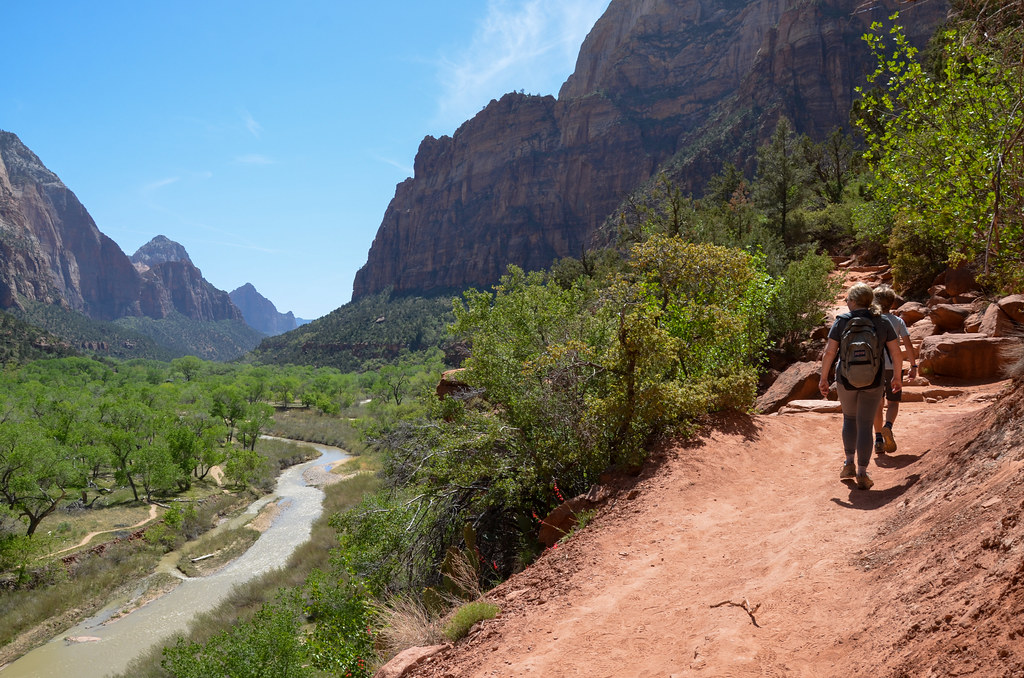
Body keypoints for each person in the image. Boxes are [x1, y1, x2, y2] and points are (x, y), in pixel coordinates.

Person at [818, 282, 902, 490]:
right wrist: (897, 377)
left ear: (854, 301)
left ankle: (848, 464)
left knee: (849, 418)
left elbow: (829, 352)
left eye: (847, 299)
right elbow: (896, 352)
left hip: (845, 378)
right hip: (874, 379)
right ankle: (863, 473)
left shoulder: (841, 322)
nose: (846, 302)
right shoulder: (882, 321)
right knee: (865, 424)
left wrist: (823, 379)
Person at [872, 284, 917, 454]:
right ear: (892, 303)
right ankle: (888, 427)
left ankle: (877, 439)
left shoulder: (872, 320)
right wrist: (913, 365)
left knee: (877, 403)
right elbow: (908, 345)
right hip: (894, 367)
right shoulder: (898, 321)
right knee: (893, 402)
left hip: (874, 367)